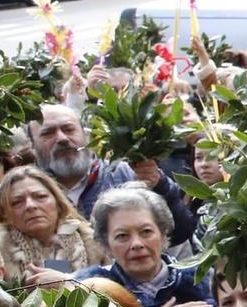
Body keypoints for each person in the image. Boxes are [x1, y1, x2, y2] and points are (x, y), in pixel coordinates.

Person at [76, 185, 223, 307]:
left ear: (163, 235)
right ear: (106, 246)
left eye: (146, 232)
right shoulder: (93, 289)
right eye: (122, 236)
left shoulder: (200, 279)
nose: (136, 244)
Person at [32, 102, 196, 245]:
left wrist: (158, 186)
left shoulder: (127, 174)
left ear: (87, 135)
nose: (61, 138)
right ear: (33, 146)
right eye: (48, 133)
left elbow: (180, 233)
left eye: (69, 129)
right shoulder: (28, 192)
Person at [0, 163, 100, 275]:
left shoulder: (96, 244)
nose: (30, 206)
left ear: (58, 203)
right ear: (5, 214)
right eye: (17, 202)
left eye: (40, 196)